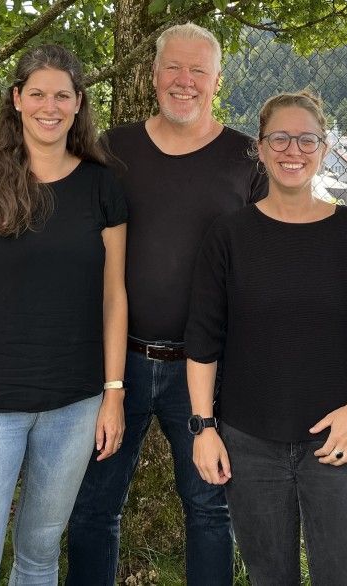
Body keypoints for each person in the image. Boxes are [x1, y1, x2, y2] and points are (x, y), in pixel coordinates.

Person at [67, 22, 268, 586]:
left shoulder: (247, 158)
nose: (185, 81)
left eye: (198, 70)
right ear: (153, 75)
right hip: (117, 363)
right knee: (93, 507)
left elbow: (266, 262)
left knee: (210, 510)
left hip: (204, 369)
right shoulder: (113, 150)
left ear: (217, 80)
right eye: (173, 68)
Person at [183, 90, 347, 585]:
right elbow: (203, 338)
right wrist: (204, 428)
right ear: (260, 148)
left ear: (324, 148)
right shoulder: (229, 235)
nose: (293, 151)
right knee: (269, 576)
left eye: (307, 140)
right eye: (279, 138)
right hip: (249, 440)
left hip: (336, 440)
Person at [0, 44, 127, 585]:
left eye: (62, 95)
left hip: (74, 403)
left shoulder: (102, 186)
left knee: (40, 555)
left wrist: (113, 393)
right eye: (38, 93)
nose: (50, 106)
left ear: (78, 103)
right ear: (17, 99)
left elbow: (114, 295)